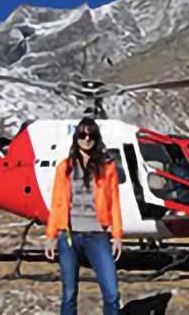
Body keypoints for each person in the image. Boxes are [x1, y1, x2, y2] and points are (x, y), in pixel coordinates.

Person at [44, 117, 123, 315]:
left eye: (91, 135)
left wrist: (117, 235)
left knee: (112, 293)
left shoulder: (107, 167)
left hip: (97, 235)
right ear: (76, 137)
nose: (86, 139)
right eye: (82, 134)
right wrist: (51, 236)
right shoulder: (65, 167)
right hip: (69, 236)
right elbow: (57, 203)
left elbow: (114, 202)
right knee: (69, 294)